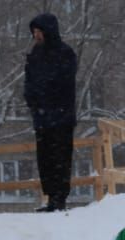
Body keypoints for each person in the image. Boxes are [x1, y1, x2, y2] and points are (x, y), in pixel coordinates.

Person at [24, 13, 78, 212]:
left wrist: (43, 92)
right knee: (45, 159)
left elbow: (63, 82)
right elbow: (29, 81)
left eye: (39, 31)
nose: (36, 35)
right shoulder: (35, 54)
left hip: (60, 116)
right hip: (42, 117)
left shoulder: (65, 53)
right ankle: (50, 197)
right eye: (34, 32)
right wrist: (31, 98)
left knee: (60, 158)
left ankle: (59, 198)